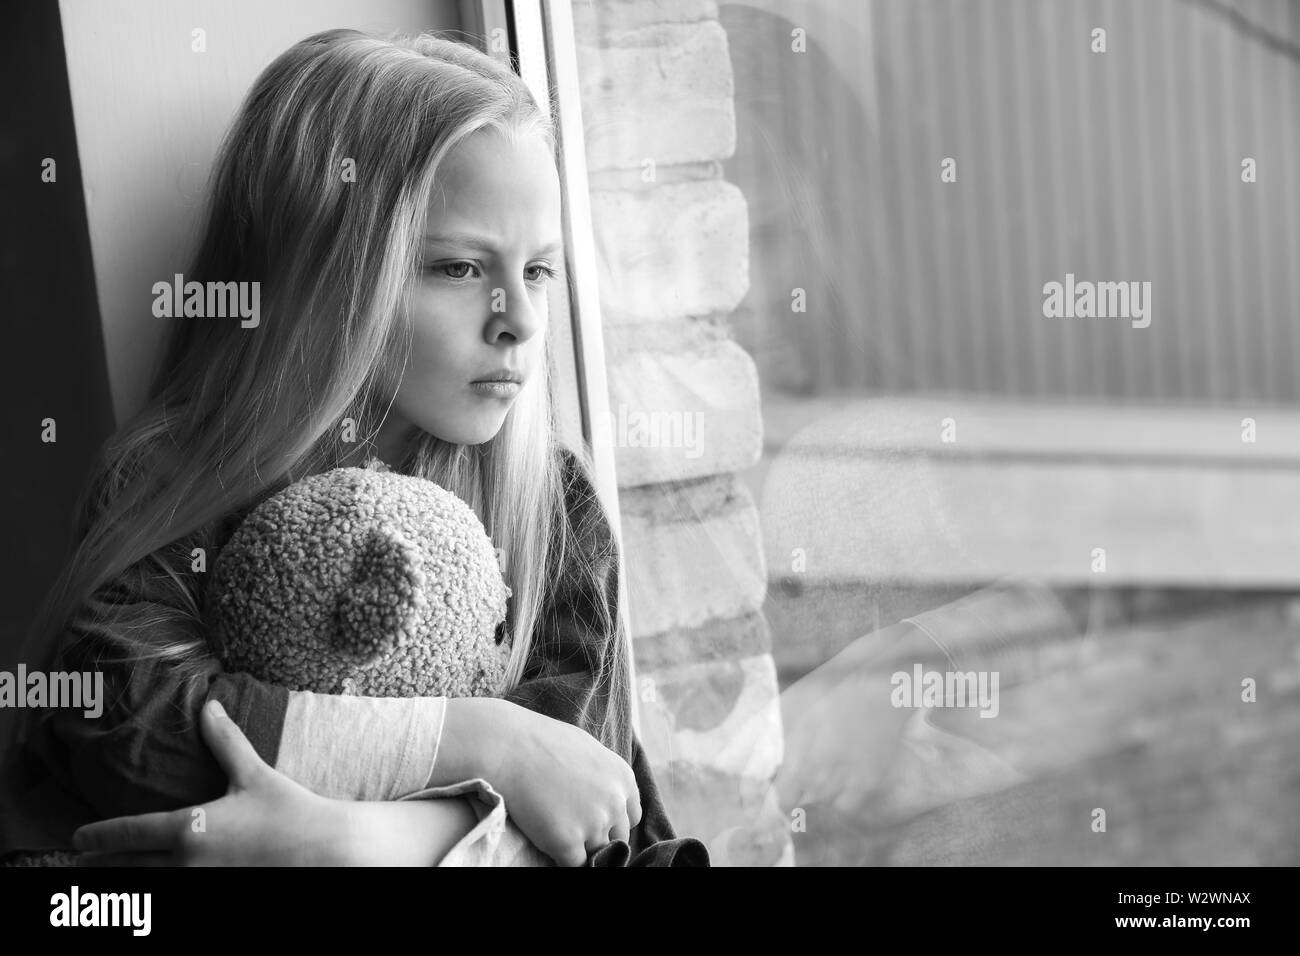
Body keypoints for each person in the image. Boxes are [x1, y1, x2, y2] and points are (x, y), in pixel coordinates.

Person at [0, 28, 706, 867]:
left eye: (540, 272)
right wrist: (472, 741)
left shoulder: (552, 503)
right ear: (322, 278)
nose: (519, 318)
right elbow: (136, 732)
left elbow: (582, 805)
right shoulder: (169, 479)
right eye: (456, 268)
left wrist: (354, 841)